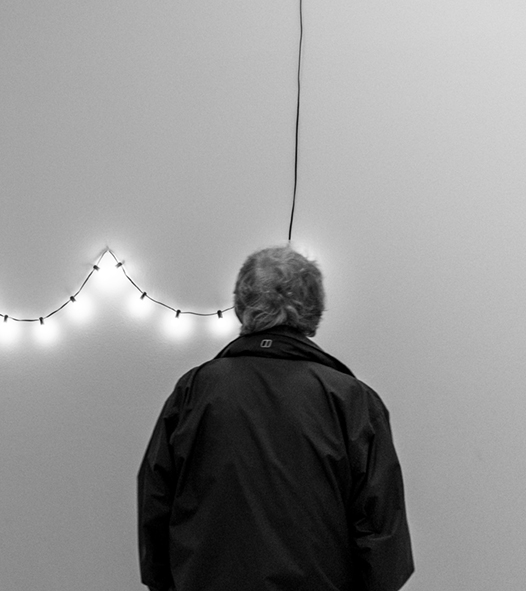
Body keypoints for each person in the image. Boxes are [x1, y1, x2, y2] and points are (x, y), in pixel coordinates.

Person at [137, 246, 414, 591]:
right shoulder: (352, 401)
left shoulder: (193, 392)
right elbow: (382, 536)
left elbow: (155, 505)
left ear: (241, 304)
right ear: (313, 309)